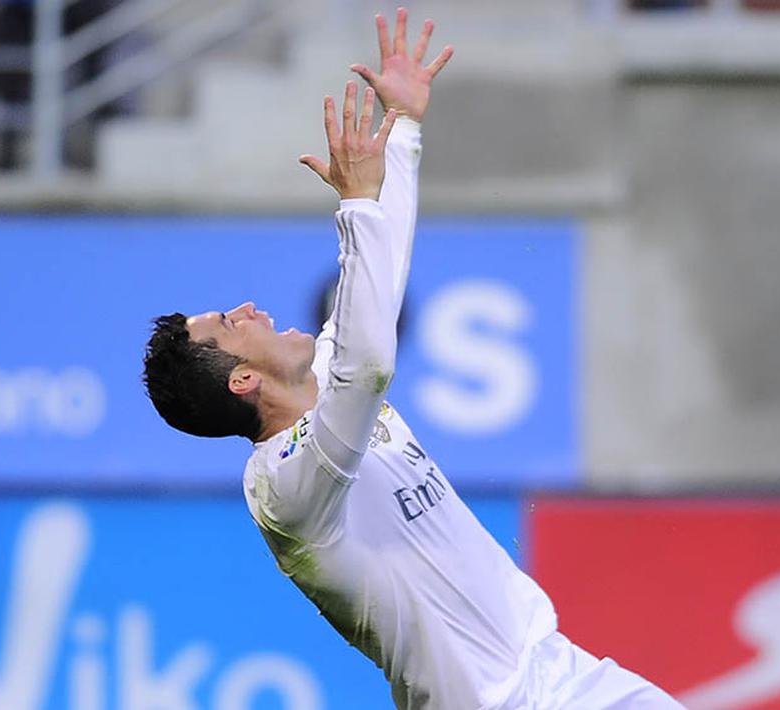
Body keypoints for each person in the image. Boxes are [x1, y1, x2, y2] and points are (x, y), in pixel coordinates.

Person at [142, 9, 683, 708]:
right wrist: (354, 207)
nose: (248, 308)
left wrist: (401, 128)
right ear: (242, 379)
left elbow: (382, 280)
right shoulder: (284, 487)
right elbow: (367, 362)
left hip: (559, 668)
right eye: (229, 324)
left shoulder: (326, 390)